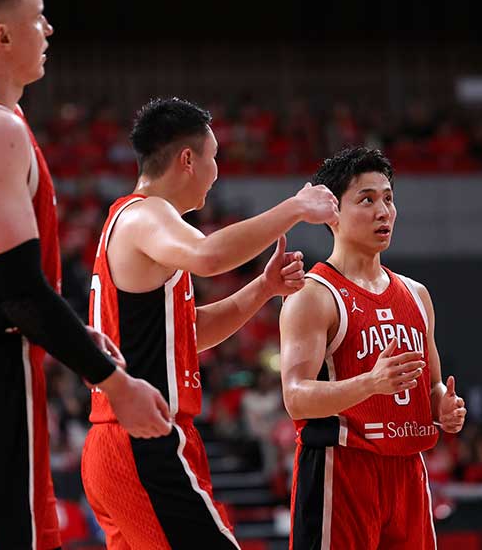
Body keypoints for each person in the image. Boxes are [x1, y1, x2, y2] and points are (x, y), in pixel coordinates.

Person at [0, 0, 171, 550]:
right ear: (1, 36)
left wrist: (72, 329)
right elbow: (19, 294)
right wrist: (114, 384)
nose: (49, 29)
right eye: (37, 18)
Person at [81, 97, 339, 549]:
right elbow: (210, 256)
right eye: (213, 157)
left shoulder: (144, 229)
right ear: (187, 160)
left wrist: (262, 288)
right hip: (144, 442)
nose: (217, 171)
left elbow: (188, 334)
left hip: (121, 445)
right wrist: (296, 206)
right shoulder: (147, 214)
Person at [279, 146, 467, 550]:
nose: (383, 211)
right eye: (366, 200)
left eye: (388, 198)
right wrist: (369, 383)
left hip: (408, 471)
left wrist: (442, 407)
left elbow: (431, 386)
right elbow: (296, 399)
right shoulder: (313, 295)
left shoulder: (417, 295)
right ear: (333, 213)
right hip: (342, 468)